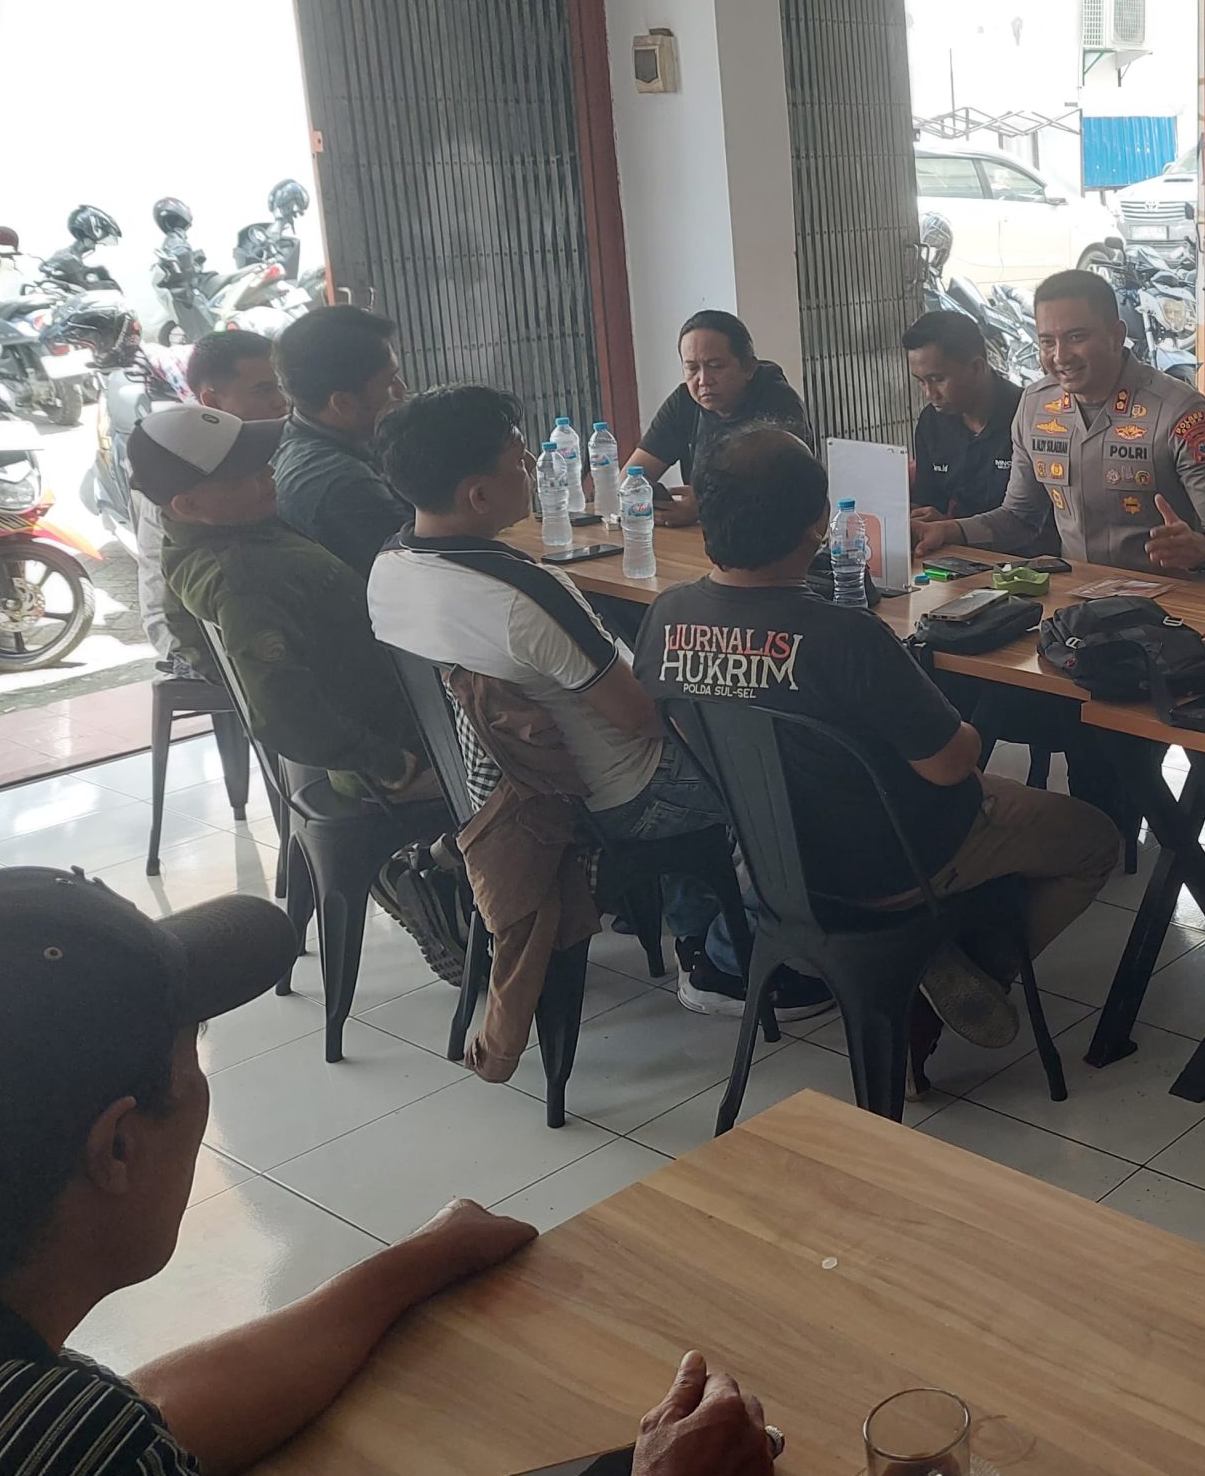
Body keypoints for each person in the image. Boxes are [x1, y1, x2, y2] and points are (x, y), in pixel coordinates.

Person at [0, 867, 776, 1476]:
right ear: (118, 1148)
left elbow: (155, 1419)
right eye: (194, 1054)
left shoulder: (4, 1392)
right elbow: (109, 1450)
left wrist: (414, 1265)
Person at [636, 426, 1117, 1048]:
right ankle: (958, 974)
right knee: (1094, 840)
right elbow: (950, 764)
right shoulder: (845, 635)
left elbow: (676, 730)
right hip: (894, 864)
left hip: (768, 862)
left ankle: (939, 958)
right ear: (819, 525)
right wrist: (968, 726)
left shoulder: (666, 616)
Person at [366, 385, 827, 1022]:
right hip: (619, 798)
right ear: (478, 495)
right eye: (520, 460)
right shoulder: (523, 594)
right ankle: (728, 958)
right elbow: (642, 718)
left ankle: (693, 924)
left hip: (510, 794)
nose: (534, 469)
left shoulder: (389, 569)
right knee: (797, 766)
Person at [138, 405, 434, 804]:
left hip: (394, 717)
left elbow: (191, 640)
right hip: (406, 748)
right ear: (188, 505)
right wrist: (387, 762)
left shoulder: (194, 543)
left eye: (262, 462)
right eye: (243, 475)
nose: (269, 474)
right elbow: (281, 716)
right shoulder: (245, 582)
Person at [915, 268, 1205, 579]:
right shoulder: (1035, 406)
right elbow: (1018, 518)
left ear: (1116, 335)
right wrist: (948, 530)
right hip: (1077, 601)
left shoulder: (1179, 411)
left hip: (1175, 603)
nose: (1060, 356)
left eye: (1076, 337)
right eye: (1047, 341)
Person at [135, 333, 290, 675]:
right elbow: (156, 583)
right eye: (263, 390)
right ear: (211, 400)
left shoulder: (281, 442)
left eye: (282, 385)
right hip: (218, 657)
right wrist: (188, 658)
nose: (281, 401)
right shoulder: (181, 469)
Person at [627, 310, 811, 528]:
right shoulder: (683, 402)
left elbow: (780, 494)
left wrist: (703, 506)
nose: (704, 380)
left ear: (748, 368)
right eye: (692, 369)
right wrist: (652, 501)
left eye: (716, 366)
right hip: (705, 537)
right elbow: (630, 480)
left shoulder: (777, 402)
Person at [270, 303, 410, 575]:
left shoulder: (298, 433)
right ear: (343, 403)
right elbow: (426, 568)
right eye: (390, 381)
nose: (401, 390)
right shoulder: (341, 484)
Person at [902, 306, 1031, 529]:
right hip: (954, 546)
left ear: (976, 368)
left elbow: (1033, 521)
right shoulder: (932, 422)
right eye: (921, 382)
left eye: (938, 379)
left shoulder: (1028, 416)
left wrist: (949, 527)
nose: (929, 394)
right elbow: (927, 500)